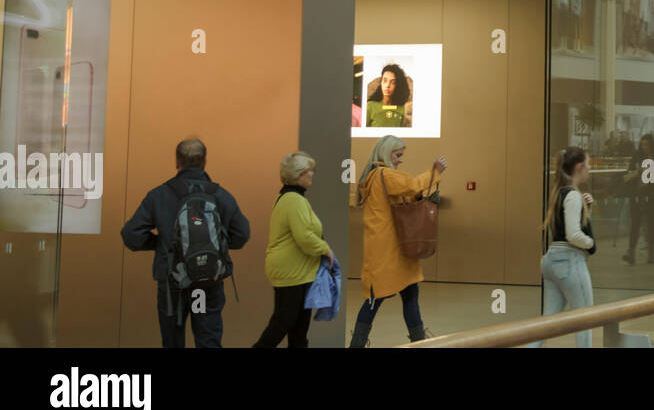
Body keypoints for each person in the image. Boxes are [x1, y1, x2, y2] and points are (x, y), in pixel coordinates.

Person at [121, 138, 251, 348]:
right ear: (204, 162)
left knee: (172, 341)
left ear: (177, 162)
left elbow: (131, 234)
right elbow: (242, 234)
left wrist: (160, 243)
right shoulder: (220, 195)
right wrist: (217, 247)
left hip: (173, 284)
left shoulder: (159, 195)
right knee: (207, 339)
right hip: (204, 285)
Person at [349, 136, 446, 348]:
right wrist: (435, 172)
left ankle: (358, 343)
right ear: (386, 153)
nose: (401, 160)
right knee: (394, 301)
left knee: (383, 300)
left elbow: (403, 197)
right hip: (393, 252)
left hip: (386, 251)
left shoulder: (372, 177)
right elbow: (411, 186)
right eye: (398, 155)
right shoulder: (385, 174)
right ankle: (418, 342)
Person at [253, 151, 333, 348]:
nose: (312, 174)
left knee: (298, 328)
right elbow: (304, 237)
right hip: (291, 271)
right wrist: (325, 250)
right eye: (309, 171)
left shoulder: (290, 198)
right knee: (284, 322)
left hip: (299, 272)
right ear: (299, 174)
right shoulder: (293, 200)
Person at [533, 146, 597, 348]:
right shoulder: (573, 195)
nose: (589, 169)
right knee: (585, 318)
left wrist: (587, 210)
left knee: (546, 323)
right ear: (579, 167)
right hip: (569, 261)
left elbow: (567, 229)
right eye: (587, 165)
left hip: (552, 260)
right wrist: (591, 243)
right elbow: (574, 234)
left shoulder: (559, 193)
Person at [624, 134, 654, 264]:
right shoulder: (637, 157)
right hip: (637, 196)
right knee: (635, 224)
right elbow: (627, 176)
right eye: (642, 144)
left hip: (651, 197)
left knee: (652, 225)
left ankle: (651, 254)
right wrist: (639, 171)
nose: (644, 147)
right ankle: (631, 252)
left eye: (647, 144)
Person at [366, 63, 411, 127]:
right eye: (384, 81)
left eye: (393, 82)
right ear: (381, 82)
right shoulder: (370, 106)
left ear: (398, 85)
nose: (387, 85)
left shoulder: (402, 109)